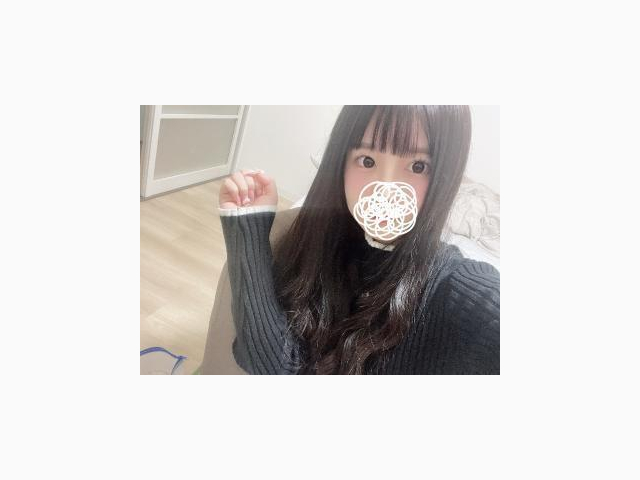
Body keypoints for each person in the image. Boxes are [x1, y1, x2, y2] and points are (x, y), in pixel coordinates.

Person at [218, 105, 499, 375]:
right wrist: (248, 225)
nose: (385, 191)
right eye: (367, 161)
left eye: (418, 166)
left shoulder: (457, 289)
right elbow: (273, 364)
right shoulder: (318, 246)